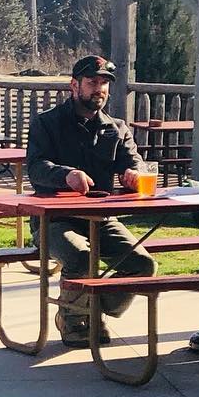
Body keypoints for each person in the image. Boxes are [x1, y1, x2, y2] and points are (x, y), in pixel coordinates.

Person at [26, 55, 156, 348]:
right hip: (53, 221)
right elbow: (36, 167)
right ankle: (72, 320)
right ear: (74, 85)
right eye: (92, 82)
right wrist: (66, 175)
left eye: (104, 83)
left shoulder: (116, 128)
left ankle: (92, 309)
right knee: (81, 258)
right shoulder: (47, 123)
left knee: (143, 266)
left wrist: (135, 174)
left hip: (102, 219)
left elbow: (135, 162)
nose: (99, 89)